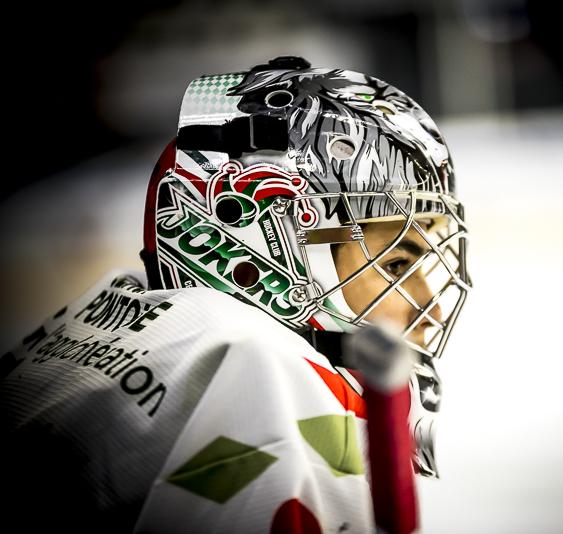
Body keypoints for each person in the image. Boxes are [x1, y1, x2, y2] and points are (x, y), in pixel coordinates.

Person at [0, 56, 470, 533]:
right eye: (394, 264)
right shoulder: (260, 376)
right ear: (258, 237)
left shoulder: (109, 310)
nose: (429, 305)